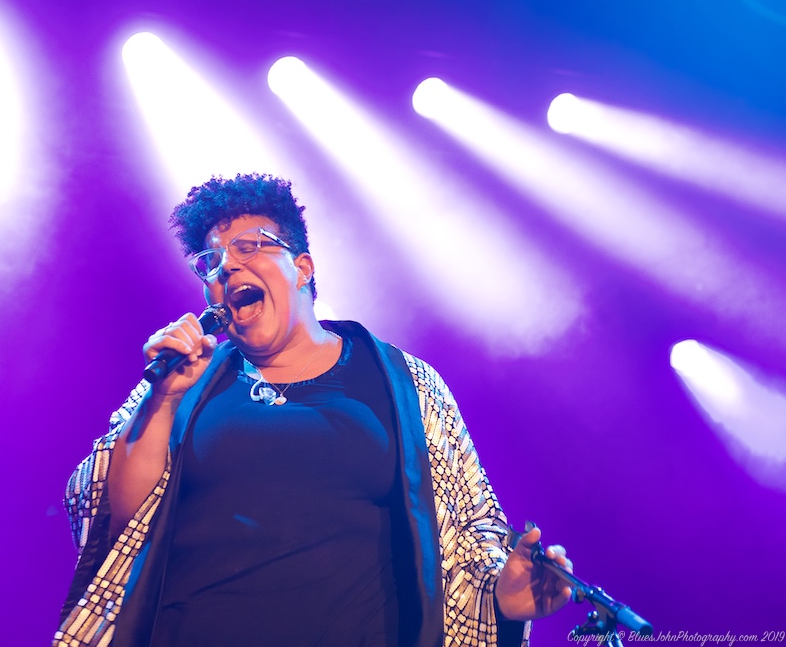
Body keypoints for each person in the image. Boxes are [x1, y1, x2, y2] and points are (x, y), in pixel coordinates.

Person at [54, 174, 573, 646]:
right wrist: (164, 398)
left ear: (302, 267)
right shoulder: (185, 383)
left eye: (250, 246)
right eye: (209, 263)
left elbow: (470, 530)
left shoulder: (406, 384)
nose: (226, 265)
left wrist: (502, 596)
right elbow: (117, 519)